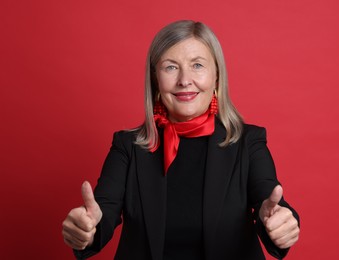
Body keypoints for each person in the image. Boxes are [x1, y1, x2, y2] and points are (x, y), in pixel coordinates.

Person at [62, 20, 300, 260]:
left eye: (197, 65)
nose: (185, 80)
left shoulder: (249, 142)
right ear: (155, 79)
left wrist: (281, 222)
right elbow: (103, 212)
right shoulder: (127, 147)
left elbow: (269, 204)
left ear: (217, 76)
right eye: (170, 67)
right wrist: (86, 229)